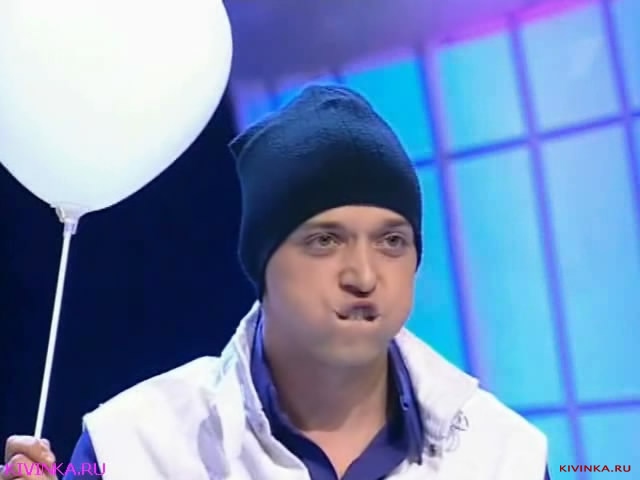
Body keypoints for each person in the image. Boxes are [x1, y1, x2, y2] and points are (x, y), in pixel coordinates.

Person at [2, 85, 551, 479]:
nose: (364, 276)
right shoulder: (134, 445)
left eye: (391, 241)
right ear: (261, 264)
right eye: (325, 240)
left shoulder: (505, 455)